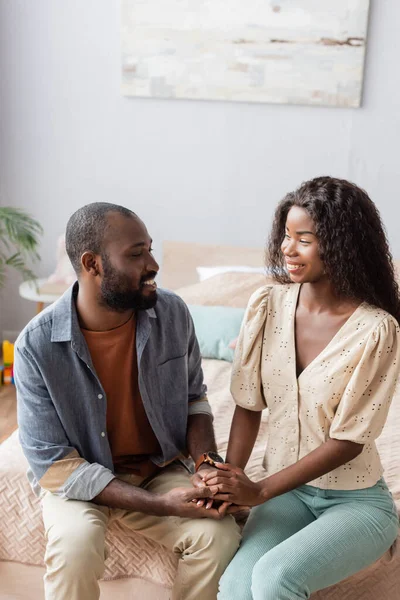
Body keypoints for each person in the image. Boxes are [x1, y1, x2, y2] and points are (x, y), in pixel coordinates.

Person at [14, 202, 241, 600]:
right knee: (74, 547)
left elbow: (194, 400)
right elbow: (55, 467)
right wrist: (164, 506)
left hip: (159, 467)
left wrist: (206, 465)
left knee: (218, 536)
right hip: (80, 477)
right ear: (93, 264)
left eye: (150, 249)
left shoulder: (173, 313)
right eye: (137, 254)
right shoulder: (35, 346)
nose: (153, 264)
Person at [203, 177, 400, 600]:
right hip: (287, 495)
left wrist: (259, 491)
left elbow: (347, 440)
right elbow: (247, 405)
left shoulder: (377, 330)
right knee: (236, 586)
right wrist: (231, 481)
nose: (287, 249)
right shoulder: (266, 305)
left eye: (304, 239)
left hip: (356, 502)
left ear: (340, 243)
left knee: (275, 577)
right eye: (286, 237)